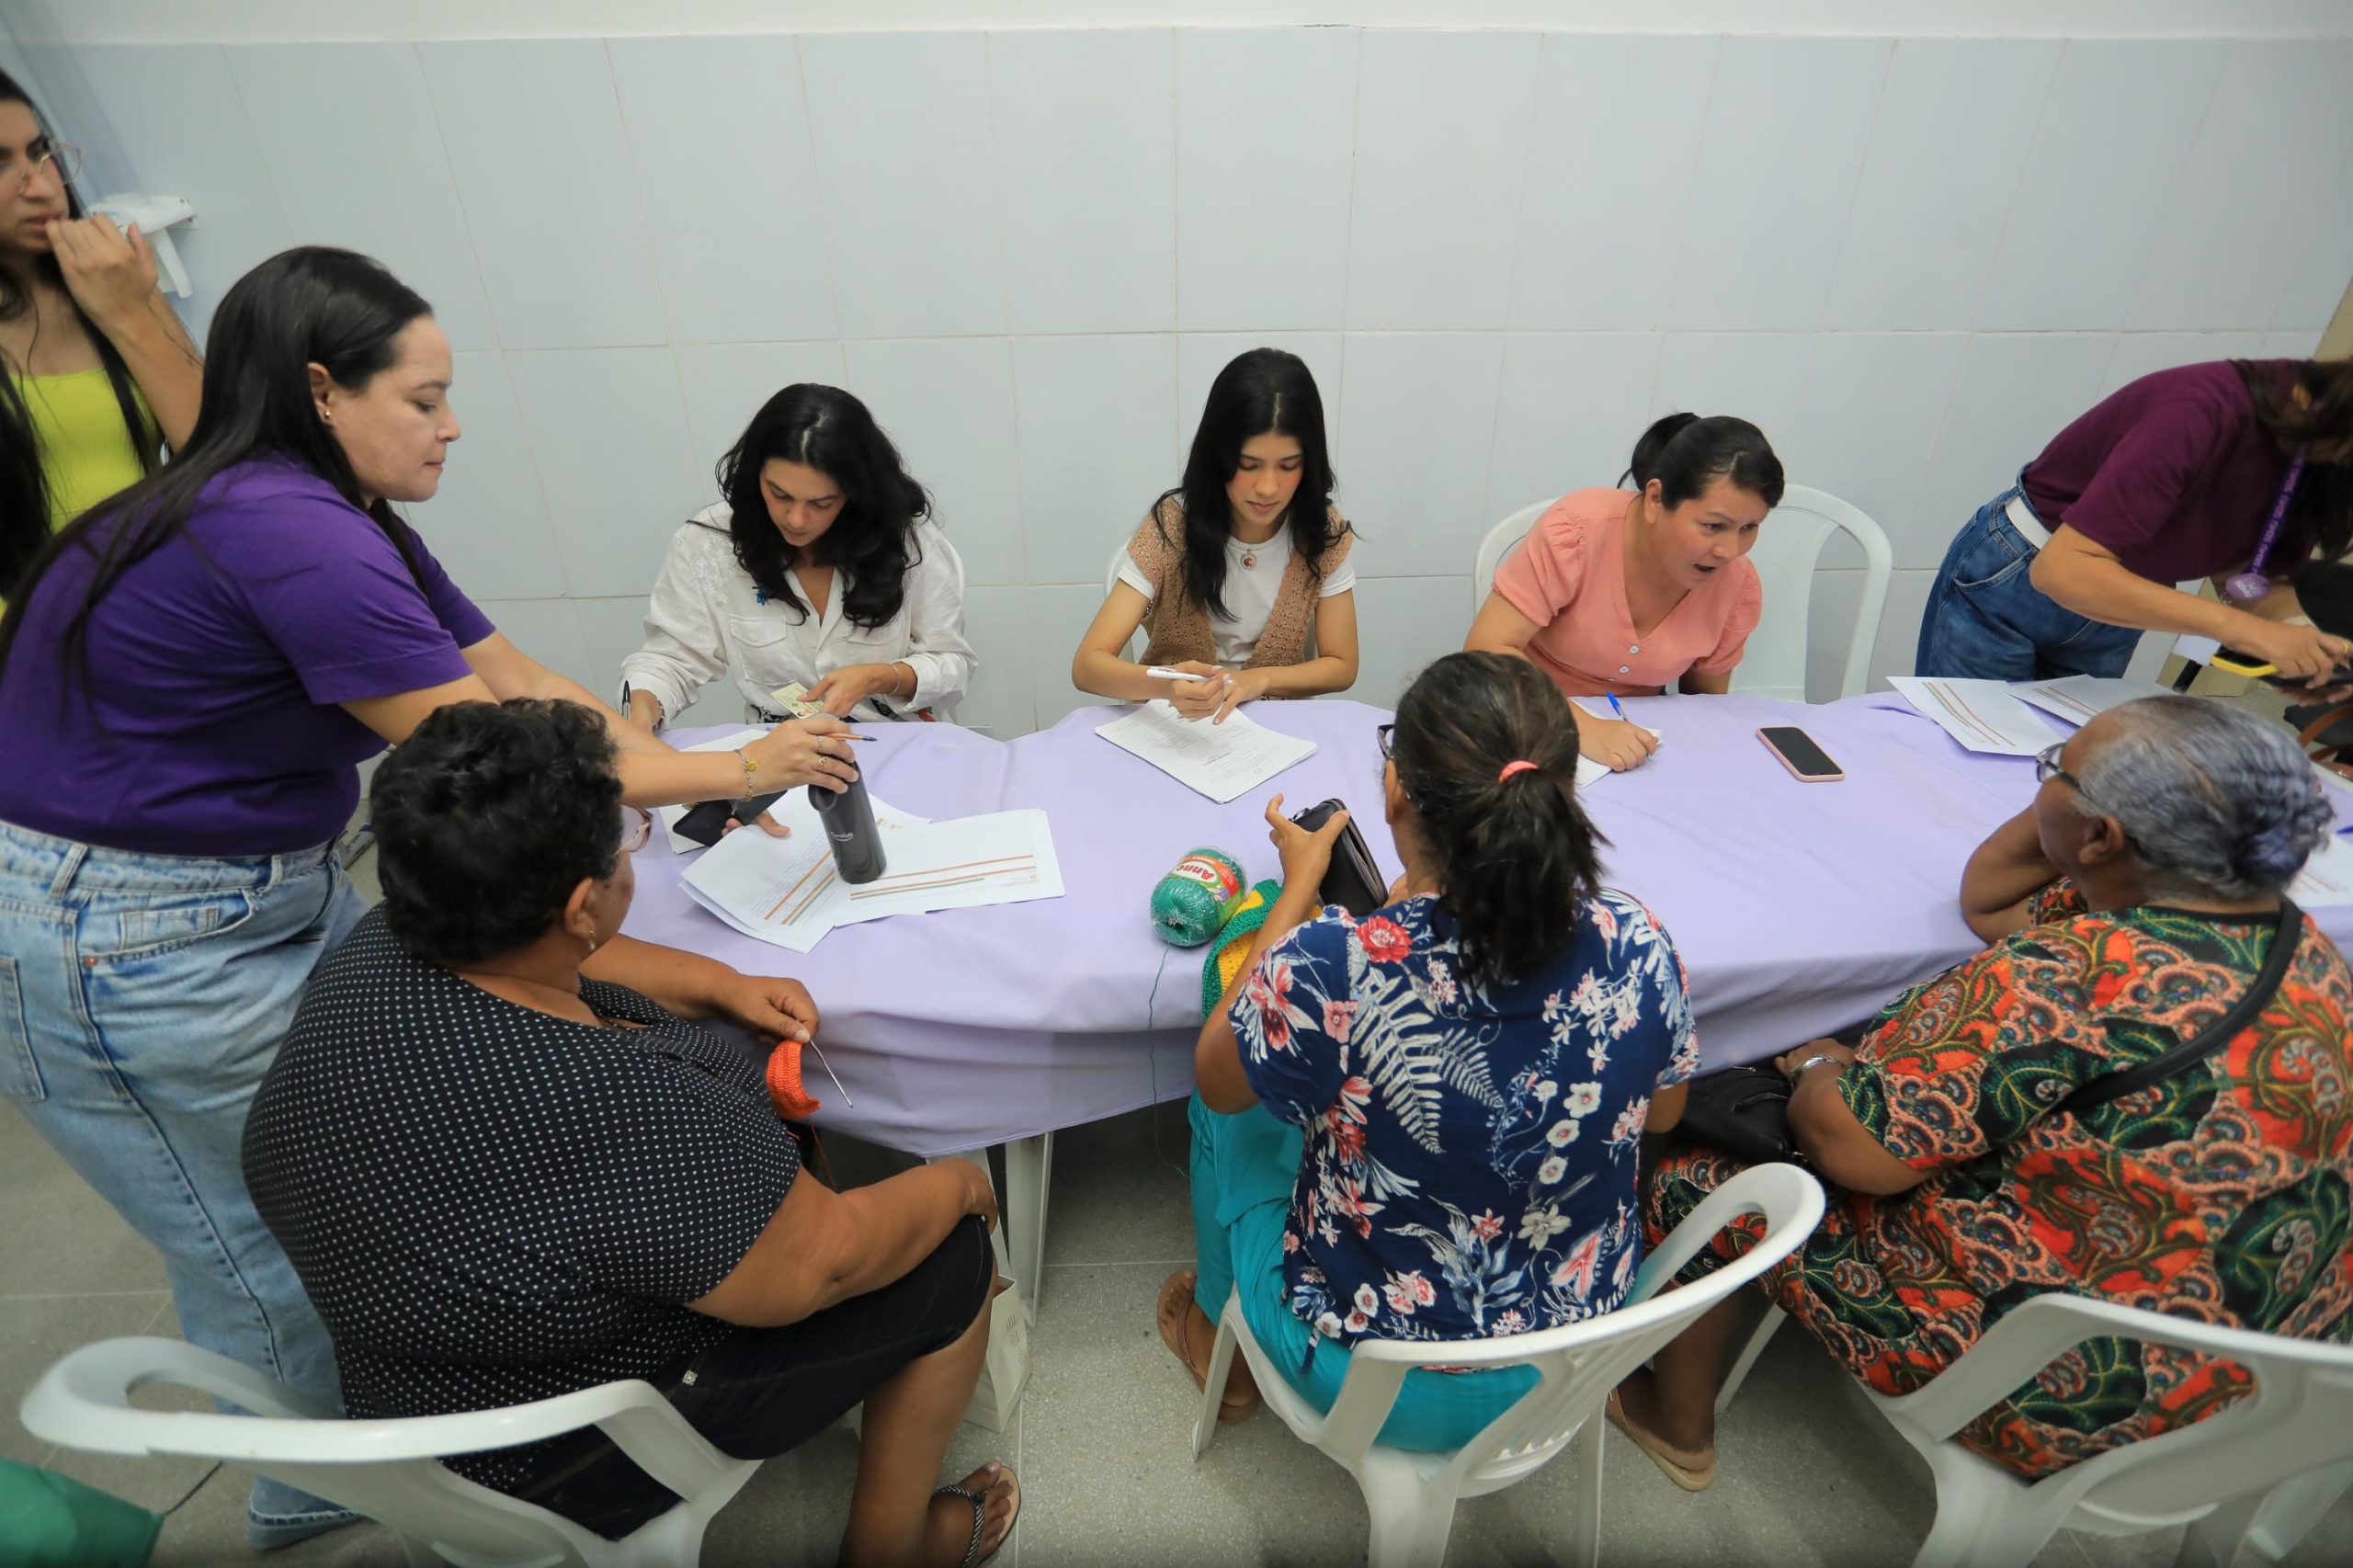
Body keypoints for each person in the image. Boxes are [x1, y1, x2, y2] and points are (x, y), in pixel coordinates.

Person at [0, 247, 855, 1550]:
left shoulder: (330, 510)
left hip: (250, 888)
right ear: (322, 390)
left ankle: (452, 1401)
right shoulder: (288, 530)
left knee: (376, 1146)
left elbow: (516, 677)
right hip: (133, 930)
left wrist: (709, 769)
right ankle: (332, 1505)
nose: (452, 425)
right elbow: (506, 745)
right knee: (272, 1233)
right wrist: (743, 767)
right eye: (424, 398)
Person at [244, 699, 1018, 1564]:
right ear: (582, 904)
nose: (628, 855)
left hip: (410, 1400)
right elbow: (819, 1268)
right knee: (950, 1255)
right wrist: (959, 1184)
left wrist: (719, 983)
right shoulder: (615, 1103)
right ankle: (890, 1548)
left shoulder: (387, 942)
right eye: (624, 842)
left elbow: (576, 952)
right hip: (556, 1448)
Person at [1612, 696, 2353, 1492]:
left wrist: (1818, 1066)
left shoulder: (2067, 975)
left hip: (2073, 1391)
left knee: (1701, 1164)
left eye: (2054, 769)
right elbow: (1991, 905)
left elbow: (1855, 1153)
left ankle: (1673, 1425)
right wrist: (2073, 815)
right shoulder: (2301, 942)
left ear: (2104, 838)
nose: (2043, 782)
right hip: (2265, 1384)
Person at [1164, 653, 1699, 1440]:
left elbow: (1217, 1078)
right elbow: (1665, 1114)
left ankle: (1224, 1349)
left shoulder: (1334, 964)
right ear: (1563, 793)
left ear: (1395, 793)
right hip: (1573, 1356)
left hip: (1373, 1375)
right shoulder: (1639, 938)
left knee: (1228, 1104)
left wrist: (1300, 888)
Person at [1915, 358, 2353, 687]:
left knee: (2066, 756)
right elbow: (2059, 571)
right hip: (2021, 575)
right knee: (1965, 752)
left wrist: (2297, 638)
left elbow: (2246, 578)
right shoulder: (2199, 410)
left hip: (2121, 599)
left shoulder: (2322, 459)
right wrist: (2240, 628)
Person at [622, 383, 974, 728]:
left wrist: (881, 677)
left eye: (821, 503)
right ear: (755, 477)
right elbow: (671, 659)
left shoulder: (905, 539)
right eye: (779, 494)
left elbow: (953, 665)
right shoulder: (708, 544)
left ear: (854, 494)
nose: (796, 519)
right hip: (782, 748)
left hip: (898, 737)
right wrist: (641, 715)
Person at [1464, 414, 1780, 772]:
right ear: (1656, 499)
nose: (1730, 550)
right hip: (1523, 721)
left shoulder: (1737, 586)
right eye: (1713, 526)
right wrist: (1580, 728)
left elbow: (1703, 703)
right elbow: (1485, 651)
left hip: (1633, 748)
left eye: (1749, 527)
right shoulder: (1577, 533)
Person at [1072, 347, 1358, 724]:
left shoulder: (1321, 531)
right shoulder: (1173, 527)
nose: (1268, 487)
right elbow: (1088, 665)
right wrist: (1168, 685)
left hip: (1274, 728)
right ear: (1217, 457)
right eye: (1248, 465)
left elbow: (1342, 665)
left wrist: (1259, 680)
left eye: (1288, 466)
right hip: (1176, 724)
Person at [0, 67, 201, 597]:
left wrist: (131, 313)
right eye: (0, 165)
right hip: (31, 633)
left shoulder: (109, 280)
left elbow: (220, 459)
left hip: (161, 607)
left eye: (40, 152)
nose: (44, 186)